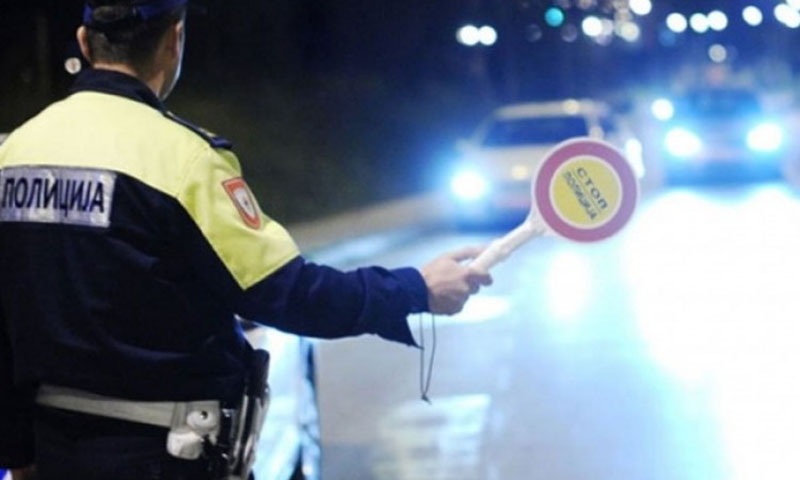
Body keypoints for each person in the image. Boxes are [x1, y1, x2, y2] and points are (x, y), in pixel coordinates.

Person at [0, 1, 492, 479]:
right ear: (174, 41)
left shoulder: (15, 152)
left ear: (85, 43)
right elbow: (287, 294)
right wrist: (415, 288)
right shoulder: (184, 161)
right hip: (166, 457)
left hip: (53, 453)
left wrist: (18, 447)